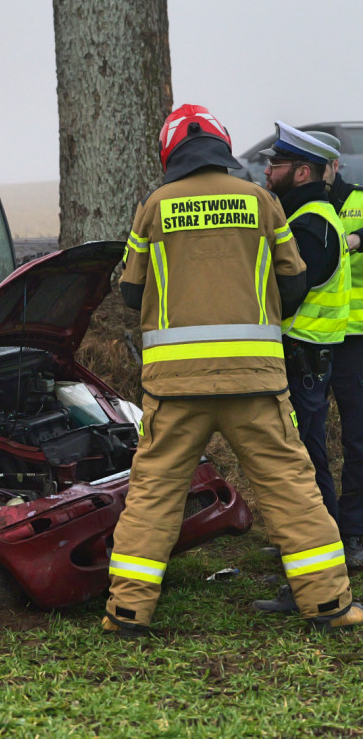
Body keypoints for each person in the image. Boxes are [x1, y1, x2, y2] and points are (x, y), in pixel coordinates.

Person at [103, 104, 361, 637]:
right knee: (292, 489)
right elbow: (294, 280)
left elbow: (130, 293)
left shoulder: (155, 205)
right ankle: (329, 606)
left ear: (170, 152)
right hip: (256, 382)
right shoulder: (261, 201)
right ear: (222, 146)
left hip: (174, 389)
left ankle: (127, 613)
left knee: (153, 495)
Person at [262, 123, 350, 521]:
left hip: (302, 360)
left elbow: (289, 293)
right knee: (305, 455)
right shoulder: (308, 216)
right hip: (306, 359)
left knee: (305, 462)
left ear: (301, 172)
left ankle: (319, 555)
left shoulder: (310, 226)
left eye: (275, 163)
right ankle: (306, 545)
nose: (266, 171)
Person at [310, 131, 363, 568]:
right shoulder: (301, 208)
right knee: (306, 441)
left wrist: (357, 240)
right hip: (310, 340)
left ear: (336, 166)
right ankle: (315, 531)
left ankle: (355, 531)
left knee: (357, 439)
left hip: (355, 342)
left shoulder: (358, 203)